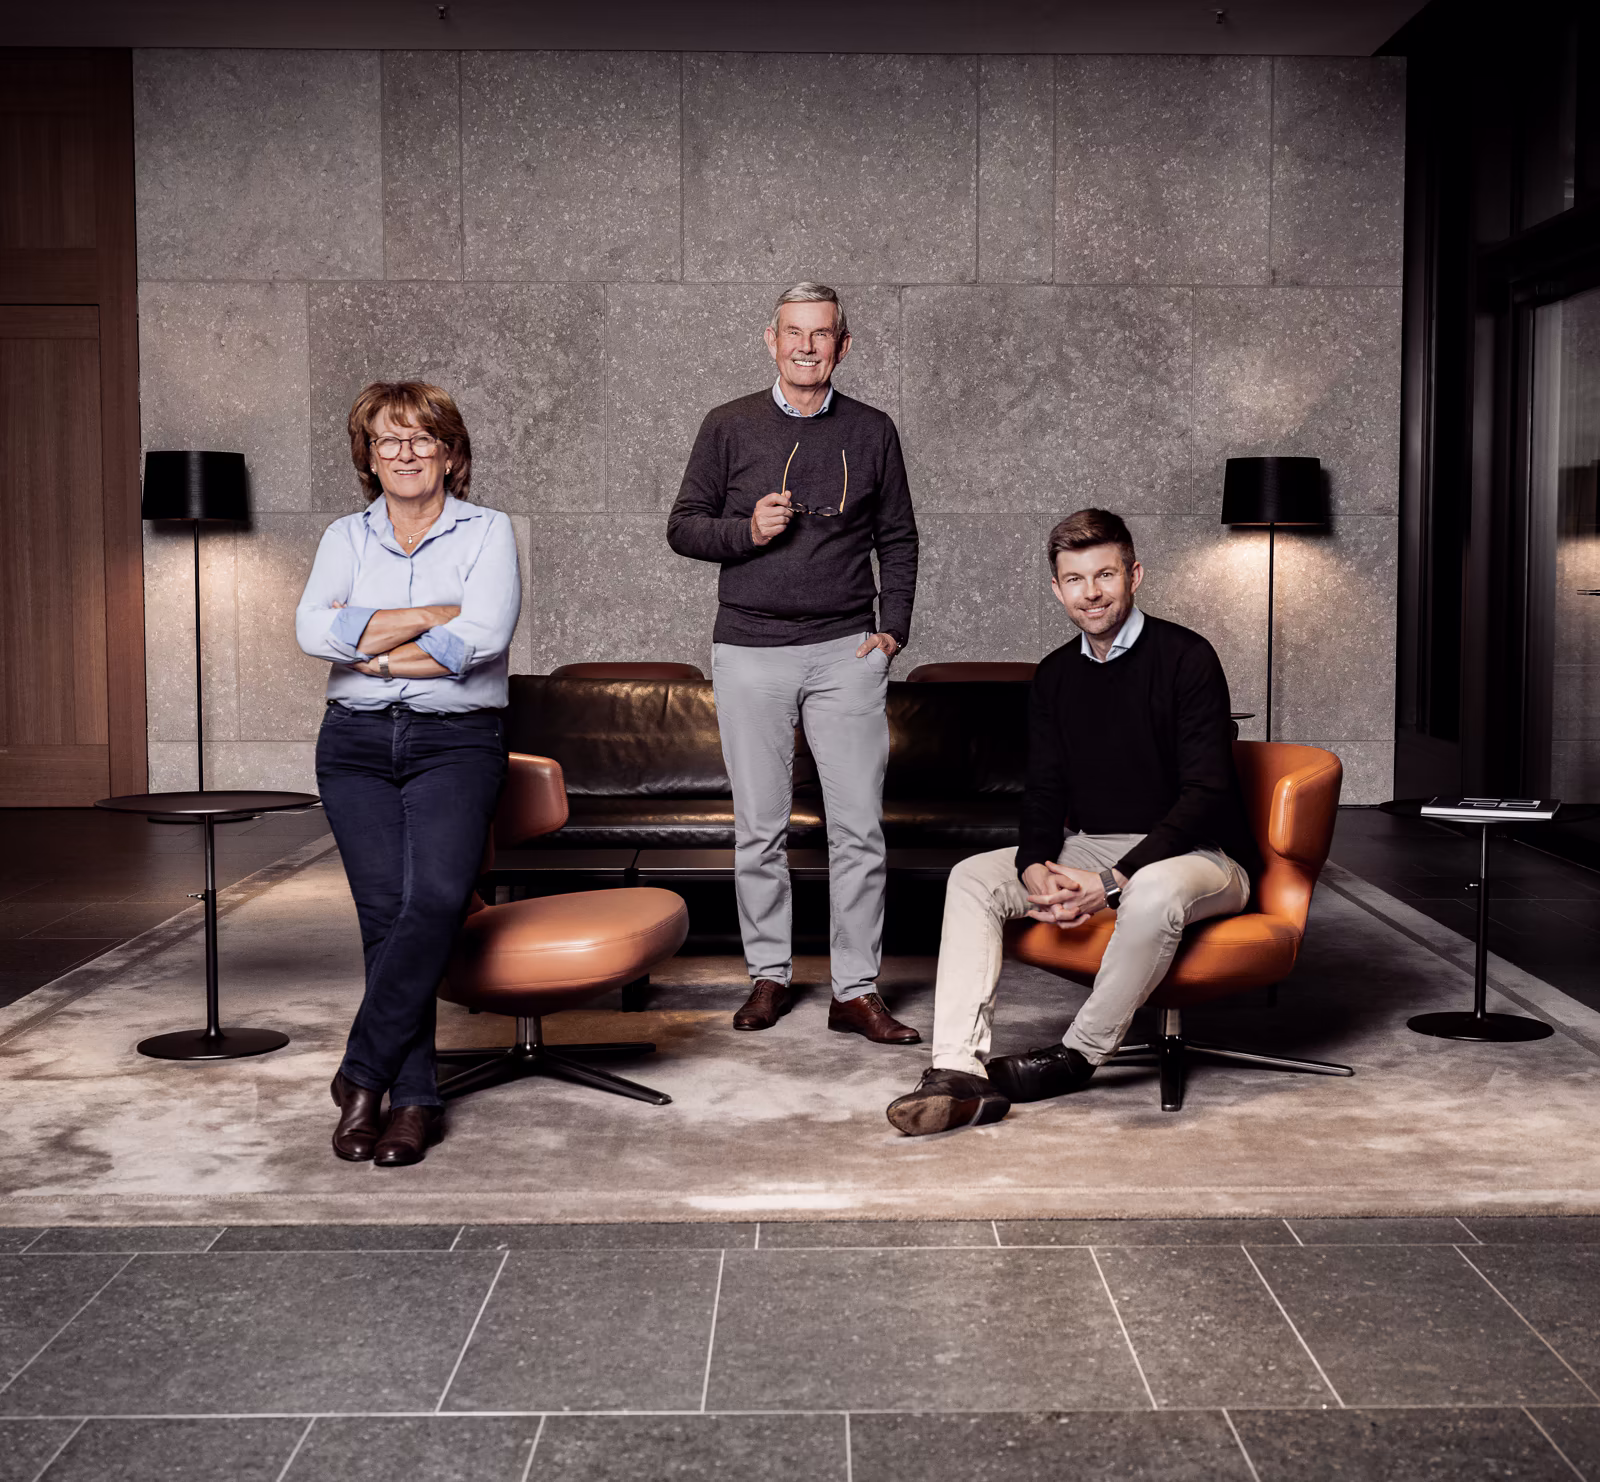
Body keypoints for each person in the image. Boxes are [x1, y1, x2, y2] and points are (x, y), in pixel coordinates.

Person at [885, 508, 1260, 1135]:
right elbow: (1044, 788)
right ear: (1057, 589)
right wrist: (1034, 863)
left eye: (1105, 574)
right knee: (973, 877)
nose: (1092, 593)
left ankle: (1078, 1055)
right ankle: (958, 1071)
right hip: (1092, 845)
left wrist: (1113, 881)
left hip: (1200, 853)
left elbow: (1207, 793)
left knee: (1151, 889)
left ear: (1134, 575)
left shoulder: (1187, 657)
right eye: (1075, 579)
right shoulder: (1056, 675)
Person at [667, 283, 921, 1043]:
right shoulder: (728, 424)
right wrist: (746, 530)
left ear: (842, 347)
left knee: (859, 831)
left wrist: (893, 630)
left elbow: (898, 537)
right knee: (760, 829)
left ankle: (856, 991)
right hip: (750, 649)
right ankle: (770, 977)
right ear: (771, 341)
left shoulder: (872, 430)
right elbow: (683, 527)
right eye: (794, 333)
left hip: (846, 650)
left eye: (822, 335)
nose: (807, 347)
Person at [296, 381, 520, 1167]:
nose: (404, 453)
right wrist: (432, 616)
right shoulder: (344, 536)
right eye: (388, 440)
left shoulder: (487, 531)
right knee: (385, 914)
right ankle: (413, 1099)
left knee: (435, 900)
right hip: (353, 745)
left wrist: (371, 643)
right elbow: (312, 630)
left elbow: (483, 636)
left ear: (450, 454)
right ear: (369, 456)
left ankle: (361, 1075)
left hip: (455, 743)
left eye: (422, 438)